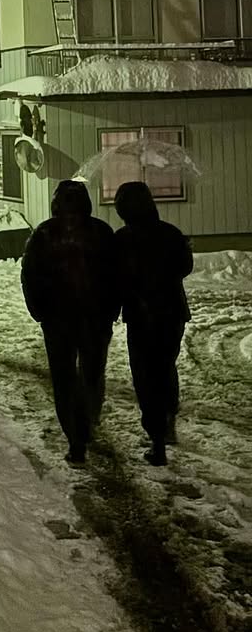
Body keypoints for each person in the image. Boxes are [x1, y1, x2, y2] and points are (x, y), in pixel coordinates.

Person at [21, 180, 119, 464]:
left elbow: (29, 276)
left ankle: (75, 439)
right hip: (96, 320)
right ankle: (87, 422)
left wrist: (40, 311)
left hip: (57, 322)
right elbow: (117, 276)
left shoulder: (44, 234)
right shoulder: (101, 232)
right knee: (91, 374)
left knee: (64, 379)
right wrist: (111, 310)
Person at [113, 181, 193, 467]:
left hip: (140, 316)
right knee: (165, 366)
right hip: (172, 314)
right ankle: (169, 413)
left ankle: (157, 440)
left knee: (145, 376)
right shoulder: (171, 234)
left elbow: (116, 279)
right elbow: (185, 267)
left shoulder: (122, 239)